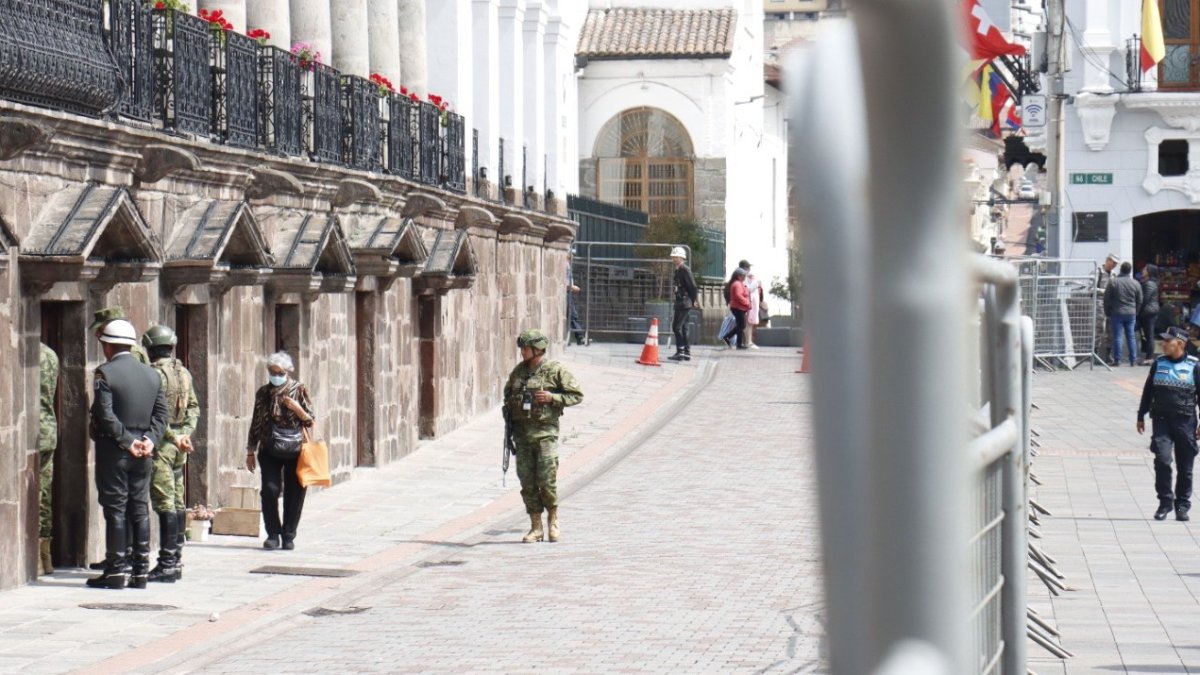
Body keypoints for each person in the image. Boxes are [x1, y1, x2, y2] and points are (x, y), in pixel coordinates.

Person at [87, 319, 168, 589]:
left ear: (108, 346)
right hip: (144, 452)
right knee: (139, 508)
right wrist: (149, 441)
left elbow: (105, 414)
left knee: (116, 510)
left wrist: (127, 441)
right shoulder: (152, 374)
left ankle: (115, 571)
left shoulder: (105, 373)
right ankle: (141, 571)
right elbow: (161, 415)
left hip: (116, 451)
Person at [502, 329, 583, 543]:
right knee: (527, 482)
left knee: (547, 480)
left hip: (545, 434)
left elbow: (576, 395)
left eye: (525, 349)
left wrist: (552, 397)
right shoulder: (518, 372)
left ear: (537, 350)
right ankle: (536, 526)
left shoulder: (554, 370)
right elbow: (508, 396)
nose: (522, 352)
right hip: (522, 436)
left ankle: (553, 519)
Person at [141, 325, 199, 583]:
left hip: (163, 446)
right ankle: (174, 560)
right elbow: (194, 407)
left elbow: (153, 415)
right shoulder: (182, 372)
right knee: (176, 500)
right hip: (178, 446)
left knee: (165, 502)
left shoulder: (154, 375)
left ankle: (166, 563)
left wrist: (173, 436)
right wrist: (185, 433)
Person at [245, 351, 314, 550]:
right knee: (270, 489)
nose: (275, 375)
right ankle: (273, 533)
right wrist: (251, 450)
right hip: (269, 447)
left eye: (279, 372)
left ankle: (289, 534)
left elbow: (310, 419)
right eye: (272, 371)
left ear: (287, 371)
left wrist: (297, 409)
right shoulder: (263, 392)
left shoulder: (298, 389)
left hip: (295, 447)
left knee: (296, 491)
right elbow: (256, 421)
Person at [1137, 326, 1200, 522]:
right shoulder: (1159, 363)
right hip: (1161, 420)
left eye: (1168, 341)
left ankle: (1182, 505)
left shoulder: (1194, 365)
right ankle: (1165, 502)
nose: (1163, 344)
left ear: (1180, 344)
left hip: (1186, 421)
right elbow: (1148, 391)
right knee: (1162, 460)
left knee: (1185, 467)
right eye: (1163, 341)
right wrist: (1141, 415)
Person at [37, 342, 59, 576]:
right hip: (48, 428)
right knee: (44, 493)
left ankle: (35, 556)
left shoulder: (25, 351)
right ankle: (45, 556)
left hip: (32, 430)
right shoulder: (50, 354)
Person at [1104, 261, 1143, 366]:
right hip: (1131, 313)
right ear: (1130, 271)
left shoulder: (1113, 282)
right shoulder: (1136, 283)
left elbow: (1106, 299)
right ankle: (1133, 360)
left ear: (1121, 269)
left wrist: (1107, 312)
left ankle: (1117, 360)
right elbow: (1140, 300)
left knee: (1118, 336)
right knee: (1131, 336)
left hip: (1116, 313)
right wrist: (1136, 311)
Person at [668, 246, 699, 362]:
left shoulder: (684, 269)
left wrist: (693, 299)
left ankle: (680, 352)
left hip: (684, 302)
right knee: (684, 328)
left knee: (676, 327)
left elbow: (692, 286)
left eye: (675, 257)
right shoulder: (678, 269)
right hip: (682, 302)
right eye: (673, 257)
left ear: (681, 257)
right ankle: (686, 352)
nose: (673, 259)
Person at [721, 268, 751, 350]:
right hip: (738, 307)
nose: (745, 277)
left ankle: (731, 339)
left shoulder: (739, 283)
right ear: (739, 276)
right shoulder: (737, 284)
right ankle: (737, 342)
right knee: (741, 325)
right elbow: (738, 295)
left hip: (738, 307)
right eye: (743, 275)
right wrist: (747, 302)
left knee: (740, 325)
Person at [1096, 254, 1119, 363]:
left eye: (1116, 264)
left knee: (1111, 331)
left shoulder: (1114, 275)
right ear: (1107, 260)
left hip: (1111, 306)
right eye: (1113, 262)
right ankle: (1095, 354)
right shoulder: (1098, 272)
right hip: (1099, 304)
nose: (1114, 265)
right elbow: (1091, 288)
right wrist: (1105, 292)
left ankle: (1108, 355)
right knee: (1099, 329)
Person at [1139, 264, 1161, 365]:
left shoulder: (1149, 284)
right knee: (1148, 335)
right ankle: (1148, 356)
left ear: (1149, 272)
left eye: (1145, 269)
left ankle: (1149, 357)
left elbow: (1145, 299)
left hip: (1149, 312)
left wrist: (1138, 311)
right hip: (1150, 311)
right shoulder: (1150, 283)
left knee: (1149, 335)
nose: (1143, 270)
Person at [565, 247, 588, 346]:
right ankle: (579, 337)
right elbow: (562, 281)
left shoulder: (568, 265)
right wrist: (572, 287)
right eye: (571, 253)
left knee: (572, 315)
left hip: (568, 292)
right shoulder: (565, 265)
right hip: (566, 292)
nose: (573, 256)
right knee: (573, 315)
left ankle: (577, 337)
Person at [745, 272, 765, 349]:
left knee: (749, 324)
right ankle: (748, 342)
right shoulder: (753, 283)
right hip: (750, 306)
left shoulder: (749, 281)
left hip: (751, 306)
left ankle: (748, 342)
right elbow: (749, 289)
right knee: (748, 324)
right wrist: (757, 284)